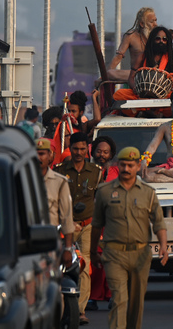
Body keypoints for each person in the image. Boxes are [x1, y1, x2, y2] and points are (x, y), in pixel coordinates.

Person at [90, 146, 168, 329]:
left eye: (130, 165)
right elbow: (96, 225)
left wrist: (163, 245)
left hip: (140, 255)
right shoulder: (104, 191)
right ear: (118, 165)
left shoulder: (148, 193)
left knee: (135, 304)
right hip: (114, 254)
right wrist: (93, 251)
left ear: (138, 166)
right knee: (119, 300)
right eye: (123, 165)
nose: (126, 169)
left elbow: (158, 222)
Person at [54, 132, 102, 326]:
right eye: (75, 149)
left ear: (87, 149)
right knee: (62, 265)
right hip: (66, 226)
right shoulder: (59, 170)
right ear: (69, 148)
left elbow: (98, 199)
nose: (79, 152)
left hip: (88, 225)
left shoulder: (96, 172)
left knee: (85, 265)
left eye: (83, 149)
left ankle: (80, 310)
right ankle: (62, 306)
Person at [86, 135, 118, 312]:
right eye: (99, 151)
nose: (102, 155)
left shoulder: (117, 171)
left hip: (114, 221)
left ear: (111, 154)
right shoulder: (87, 171)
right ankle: (93, 296)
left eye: (106, 152)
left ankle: (113, 295)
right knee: (96, 260)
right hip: (94, 220)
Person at [112, 27, 173, 102]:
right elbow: (131, 78)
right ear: (152, 40)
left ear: (167, 42)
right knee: (119, 94)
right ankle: (149, 109)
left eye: (164, 39)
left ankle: (147, 110)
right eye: (158, 39)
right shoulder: (142, 56)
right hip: (142, 95)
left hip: (165, 96)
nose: (161, 41)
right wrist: (136, 89)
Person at [36, 138, 75, 269]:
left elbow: (66, 217)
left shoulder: (59, 182)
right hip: (26, 242)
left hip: (50, 241)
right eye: (35, 153)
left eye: (41, 154)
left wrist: (68, 249)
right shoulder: (21, 180)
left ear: (49, 156)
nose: (38, 157)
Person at [107, 7, 158, 82]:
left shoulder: (159, 38)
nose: (155, 24)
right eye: (151, 22)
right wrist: (105, 76)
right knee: (110, 73)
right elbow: (118, 57)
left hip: (154, 75)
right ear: (142, 24)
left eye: (155, 20)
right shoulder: (131, 36)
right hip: (136, 74)